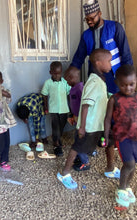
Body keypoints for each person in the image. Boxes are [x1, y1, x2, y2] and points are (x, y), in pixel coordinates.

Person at [67, 0, 133, 178]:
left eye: (91, 18)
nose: (89, 21)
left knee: (111, 122)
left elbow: (126, 54)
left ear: (100, 13)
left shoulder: (115, 28)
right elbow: (79, 57)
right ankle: (84, 154)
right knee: (94, 120)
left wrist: (129, 82)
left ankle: (110, 164)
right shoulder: (86, 36)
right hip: (96, 81)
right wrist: (72, 72)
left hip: (115, 81)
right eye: (86, 19)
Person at [104, 65, 137, 208]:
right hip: (123, 139)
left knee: (134, 164)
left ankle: (127, 186)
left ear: (136, 81)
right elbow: (107, 118)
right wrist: (105, 135)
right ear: (117, 83)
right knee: (129, 164)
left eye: (131, 84)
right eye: (123, 85)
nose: (128, 88)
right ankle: (121, 189)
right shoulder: (114, 99)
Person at [57, 49, 112, 189]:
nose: (111, 64)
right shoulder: (93, 82)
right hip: (90, 125)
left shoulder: (99, 80)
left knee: (110, 143)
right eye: (109, 61)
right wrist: (82, 127)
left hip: (100, 124)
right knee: (77, 148)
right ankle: (65, 173)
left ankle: (110, 168)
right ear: (99, 63)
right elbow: (86, 105)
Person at [41, 61, 71, 156]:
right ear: (50, 72)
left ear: (61, 72)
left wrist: (72, 107)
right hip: (53, 109)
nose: (57, 76)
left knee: (61, 126)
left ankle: (58, 139)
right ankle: (56, 145)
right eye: (55, 74)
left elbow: (69, 94)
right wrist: (45, 107)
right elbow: (44, 95)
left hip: (64, 109)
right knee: (55, 127)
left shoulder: (65, 82)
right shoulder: (48, 83)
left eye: (59, 73)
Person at [64, 67, 90, 172]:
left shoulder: (80, 89)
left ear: (72, 78)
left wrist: (80, 119)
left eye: (67, 80)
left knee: (79, 140)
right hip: (77, 118)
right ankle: (80, 158)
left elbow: (84, 106)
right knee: (78, 139)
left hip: (81, 119)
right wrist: (72, 116)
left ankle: (85, 162)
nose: (67, 82)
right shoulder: (73, 88)